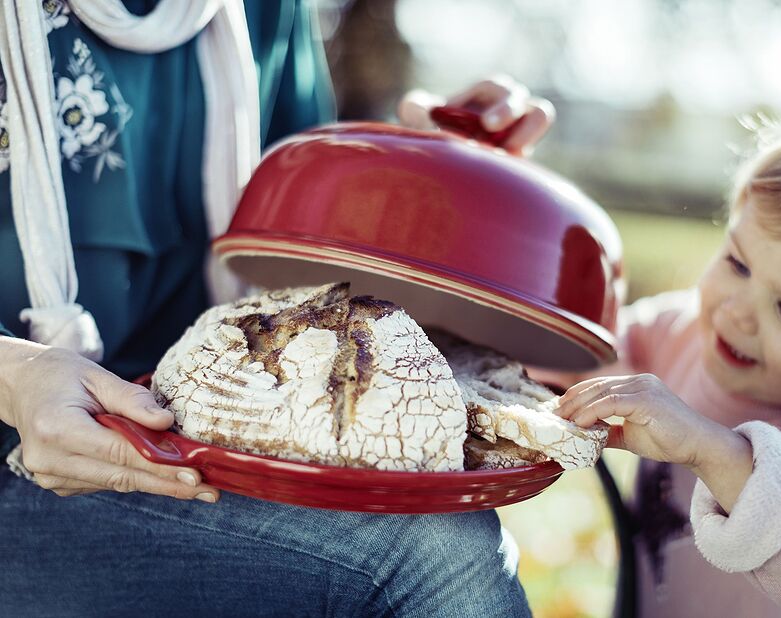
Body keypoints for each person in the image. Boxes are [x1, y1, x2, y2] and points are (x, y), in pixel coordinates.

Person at [0, 1, 554, 616]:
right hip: (15, 449)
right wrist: (13, 375)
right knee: (432, 552)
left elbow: (298, 244)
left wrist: (416, 172)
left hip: (206, 436)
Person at [553, 112, 781, 617]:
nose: (736, 311)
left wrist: (710, 450)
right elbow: (587, 355)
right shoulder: (683, 330)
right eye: (738, 264)